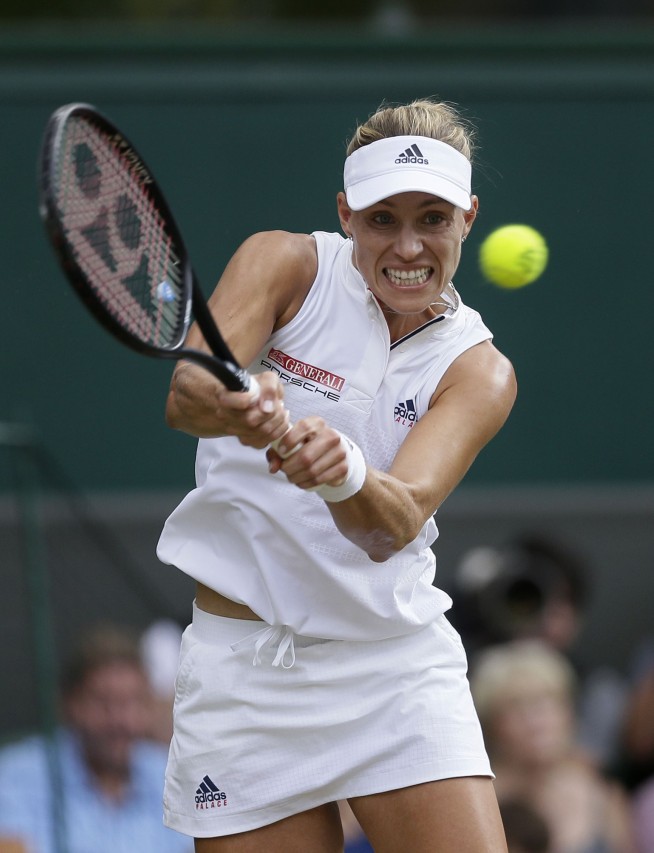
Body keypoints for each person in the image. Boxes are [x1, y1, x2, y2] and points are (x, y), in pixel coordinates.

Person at [156, 97, 517, 852]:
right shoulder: (286, 262)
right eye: (383, 218)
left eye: (433, 218)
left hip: (393, 667)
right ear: (346, 214)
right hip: (243, 675)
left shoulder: (480, 371)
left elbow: (394, 522)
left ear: (469, 219)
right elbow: (187, 396)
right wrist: (238, 403)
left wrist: (344, 472)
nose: (409, 244)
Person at [0, 623, 192, 853]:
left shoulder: (167, 773)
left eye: (134, 703)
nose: (122, 721)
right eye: (104, 703)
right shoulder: (16, 778)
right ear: (68, 703)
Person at [470, 640, 635, 853]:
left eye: (546, 702)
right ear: (491, 725)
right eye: (515, 706)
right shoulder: (477, 799)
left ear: (569, 713)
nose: (535, 721)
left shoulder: (601, 792)